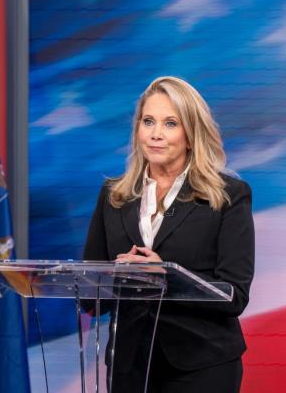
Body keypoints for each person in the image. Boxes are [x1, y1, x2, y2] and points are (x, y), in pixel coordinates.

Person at [84, 76, 254, 393]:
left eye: (170, 124)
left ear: (190, 135)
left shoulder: (227, 195)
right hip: (129, 365)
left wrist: (165, 276)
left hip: (202, 364)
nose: (156, 134)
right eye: (148, 122)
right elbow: (90, 295)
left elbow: (234, 295)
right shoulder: (114, 196)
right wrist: (116, 277)